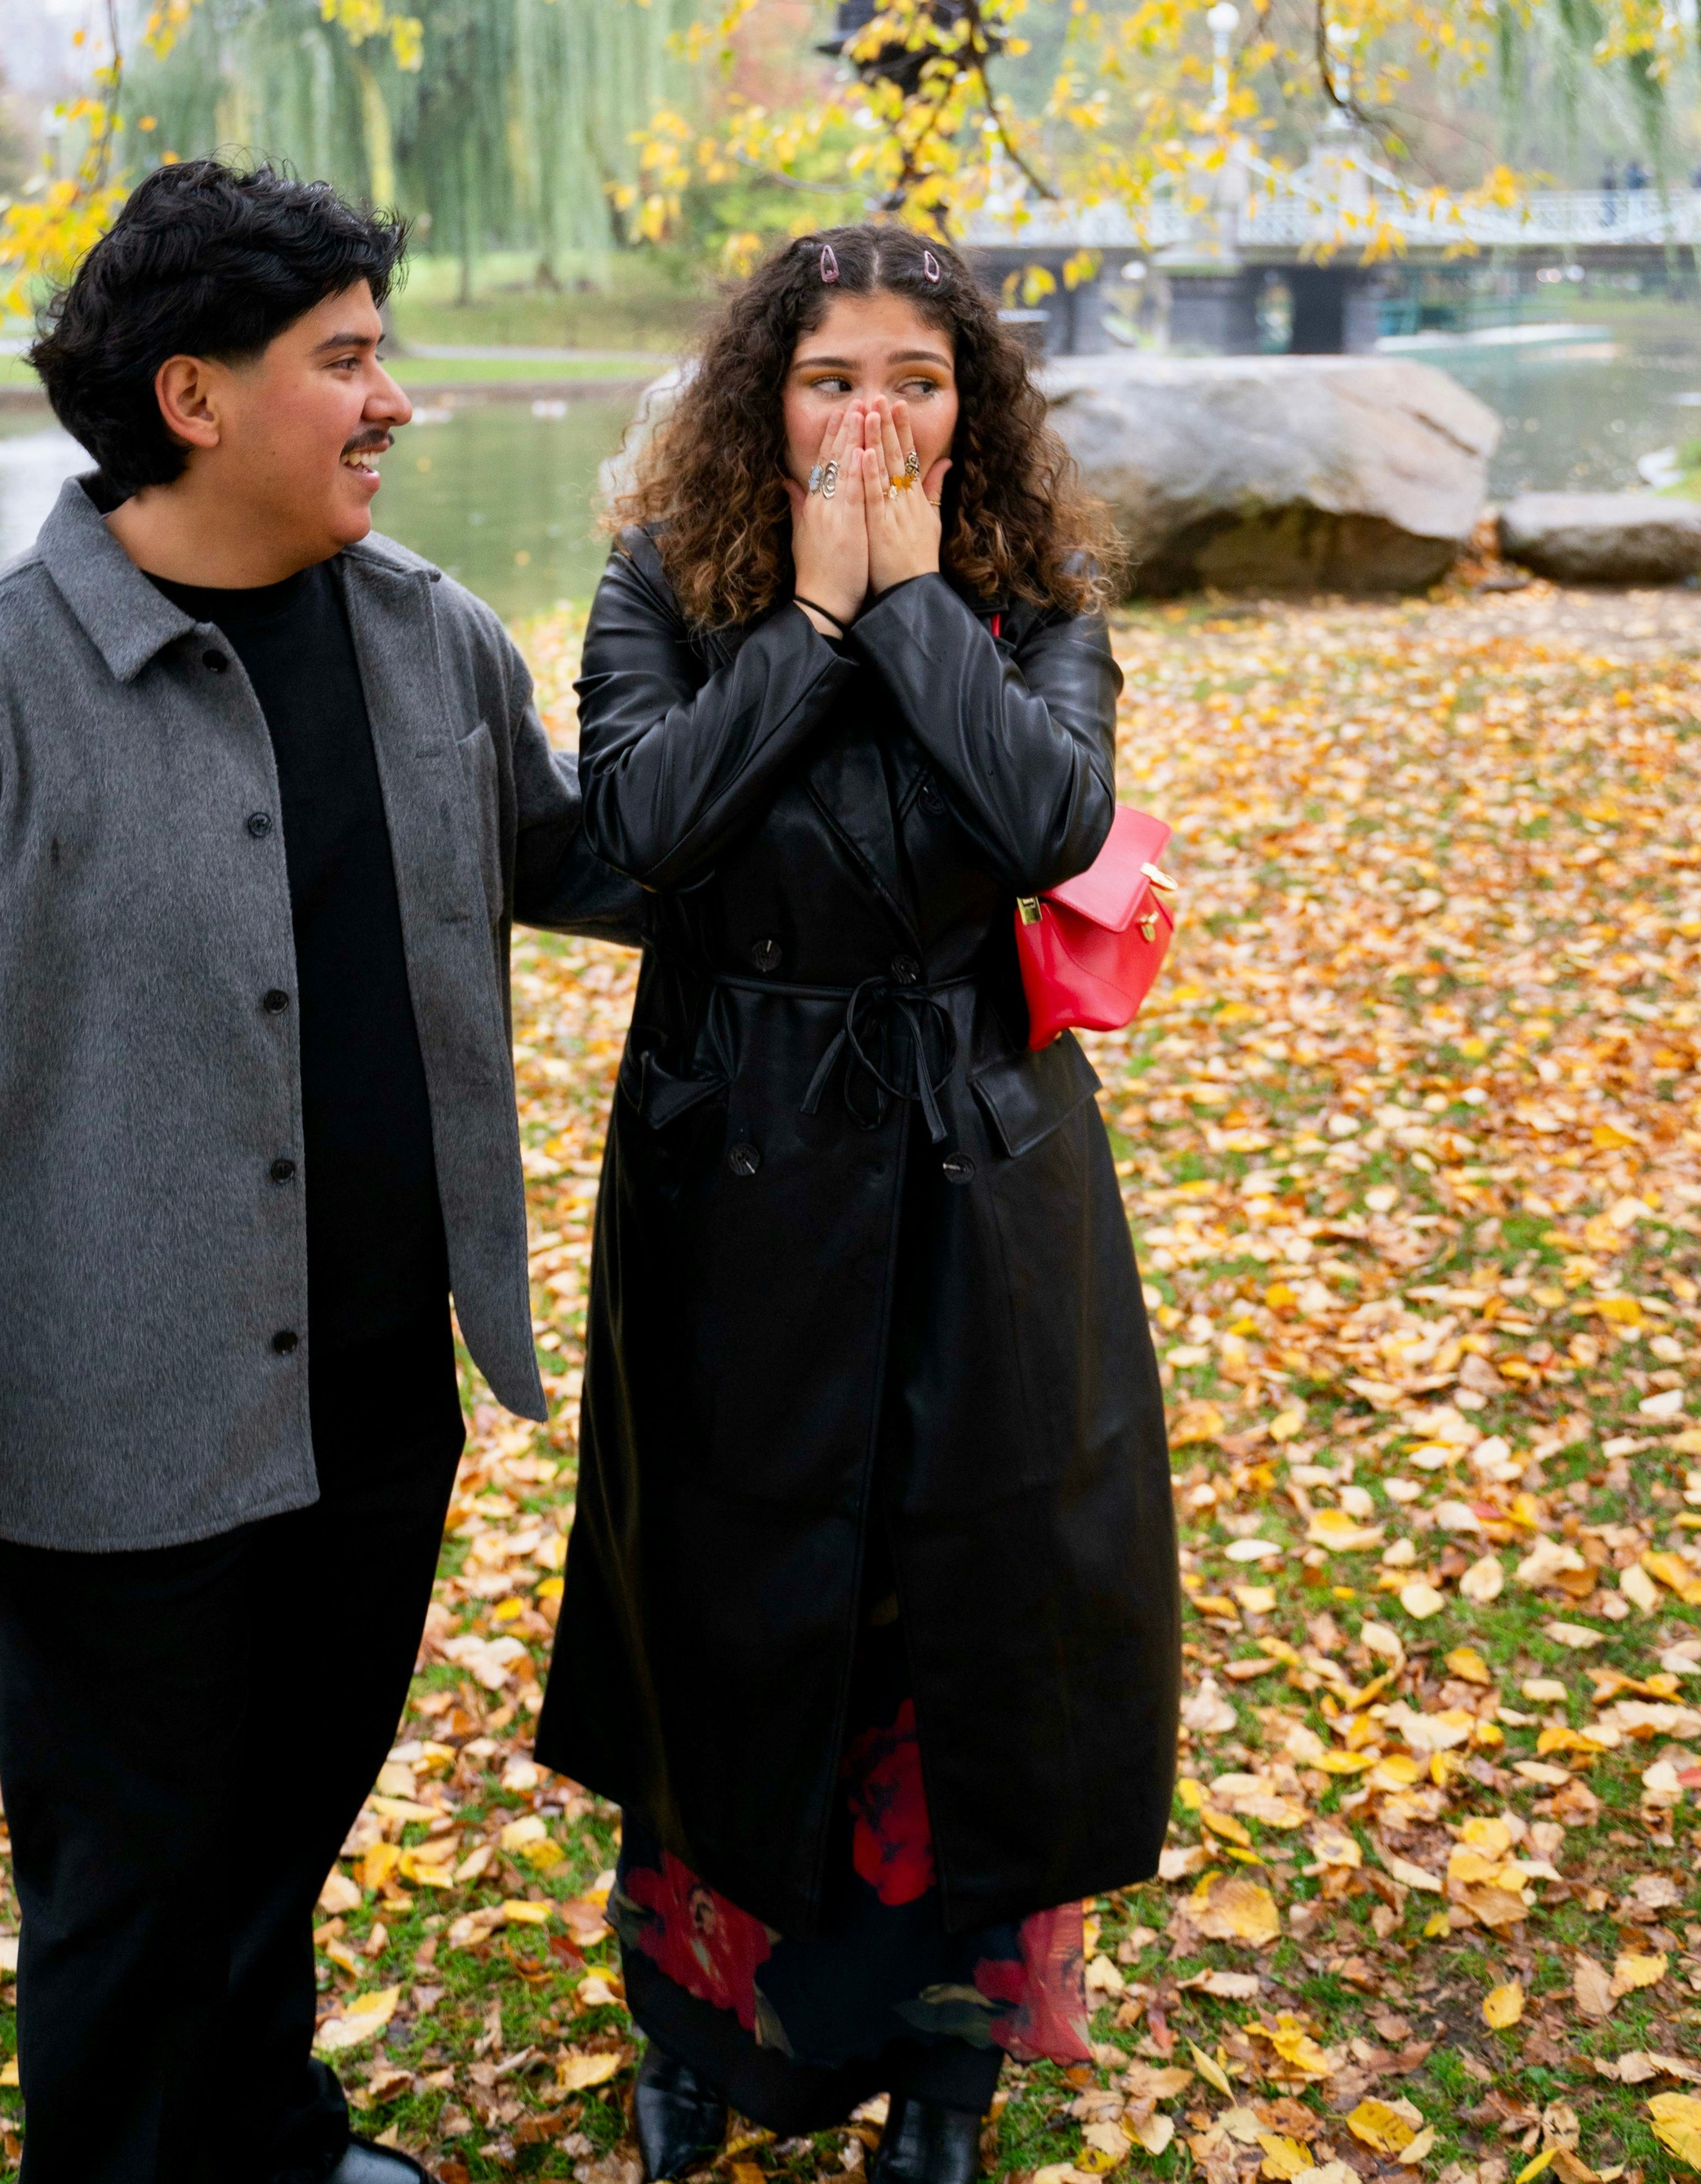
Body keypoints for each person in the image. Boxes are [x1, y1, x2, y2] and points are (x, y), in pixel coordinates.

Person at [0, 161, 638, 2184]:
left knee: (281, 1828)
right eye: (343, 357)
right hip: (101, 1445)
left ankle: (271, 2132)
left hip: (375, 1404)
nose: (390, 397)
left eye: (381, 351)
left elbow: (593, 858)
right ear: (193, 395)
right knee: (130, 1895)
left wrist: (817, 673)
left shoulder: (430, 643)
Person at [537, 225, 1179, 2184]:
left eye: (914, 374)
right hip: (732, 1157)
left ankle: (949, 2076)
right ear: (767, 396)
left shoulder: (1031, 599)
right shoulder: (663, 579)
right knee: (724, 1596)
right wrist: (804, 625)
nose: (872, 414)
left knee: (968, 1610)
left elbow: (1050, 826)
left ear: (962, 397)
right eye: (831, 378)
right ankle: (689, 2037)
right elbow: (633, 826)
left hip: (985, 1165)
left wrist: (904, 612)